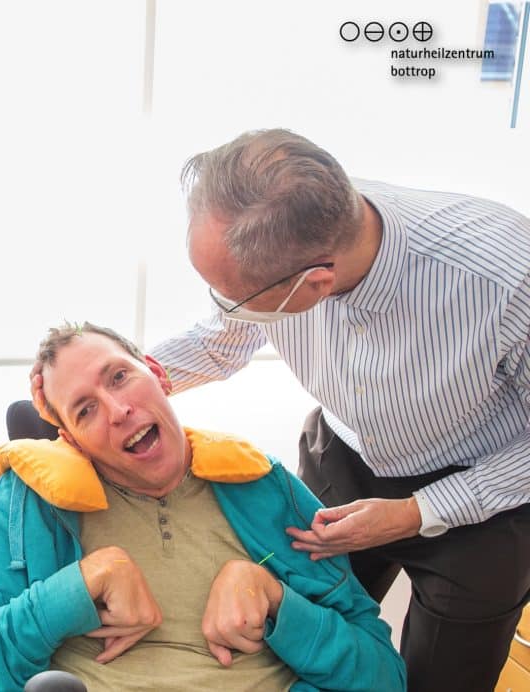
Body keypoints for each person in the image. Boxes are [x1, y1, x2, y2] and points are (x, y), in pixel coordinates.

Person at [108, 128, 527, 692]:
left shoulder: (504, 275)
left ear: (316, 282)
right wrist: (116, 385)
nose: (222, 306)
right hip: (342, 462)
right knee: (305, 644)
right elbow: (220, 341)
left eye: (228, 296)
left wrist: (414, 511)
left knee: (442, 679)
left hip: (488, 497)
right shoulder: (282, 230)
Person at [0, 322, 405, 691]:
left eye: (119, 377)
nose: (116, 411)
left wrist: (278, 603)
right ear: (70, 438)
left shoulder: (264, 488)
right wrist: (74, 589)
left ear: (157, 374)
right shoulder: (23, 504)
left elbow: (383, 675)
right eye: (85, 409)